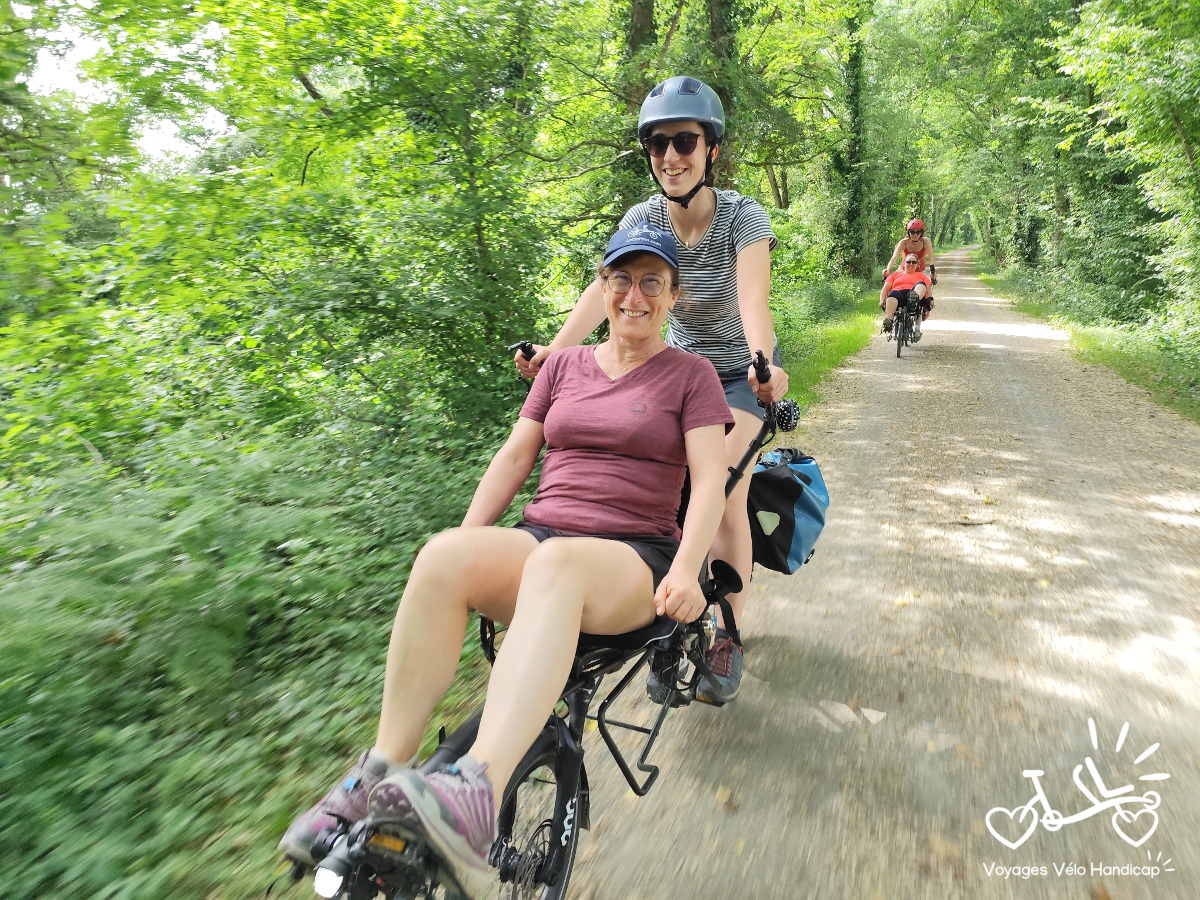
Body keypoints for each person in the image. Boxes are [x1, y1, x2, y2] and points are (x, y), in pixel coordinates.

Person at [279, 225, 733, 900]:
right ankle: (376, 772)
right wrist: (467, 546)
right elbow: (516, 458)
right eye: (620, 279)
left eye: (650, 283)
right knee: (440, 557)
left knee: (557, 568)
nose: (632, 296)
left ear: (672, 296)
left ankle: (477, 788)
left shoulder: (690, 376)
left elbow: (709, 480)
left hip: (634, 558)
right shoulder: (563, 366)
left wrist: (687, 569)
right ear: (602, 286)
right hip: (543, 535)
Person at [513, 75, 786, 705]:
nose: (672, 155)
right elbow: (602, 292)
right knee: (664, 489)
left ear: (711, 148)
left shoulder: (743, 216)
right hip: (664, 373)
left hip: (732, 373)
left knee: (724, 486)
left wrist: (763, 364)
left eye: (685, 140)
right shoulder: (640, 217)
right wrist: (556, 349)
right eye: (659, 143)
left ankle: (727, 629)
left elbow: (753, 300)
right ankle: (665, 609)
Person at [880, 254, 933, 339]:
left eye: (913, 262)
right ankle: (889, 320)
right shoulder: (895, 275)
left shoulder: (921, 276)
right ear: (904, 264)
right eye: (908, 262)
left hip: (914, 294)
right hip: (898, 296)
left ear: (917, 265)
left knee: (921, 284)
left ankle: (913, 300)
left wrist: (929, 304)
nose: (911, 264)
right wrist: (882, 300)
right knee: (892, 293)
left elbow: (928, 292)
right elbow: (885, 289)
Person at [883, 218, 937, 283]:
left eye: (918, 232)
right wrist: (888, 270)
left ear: (921, 232)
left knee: (924, 288)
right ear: (908, 232)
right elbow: (894, 257)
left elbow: (931, 258)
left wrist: (932, 272)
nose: (915, 235)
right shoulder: (903, 242)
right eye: (912, 232)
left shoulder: (925, 241)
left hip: (920, 270)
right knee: (891, 285)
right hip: (904, 269)